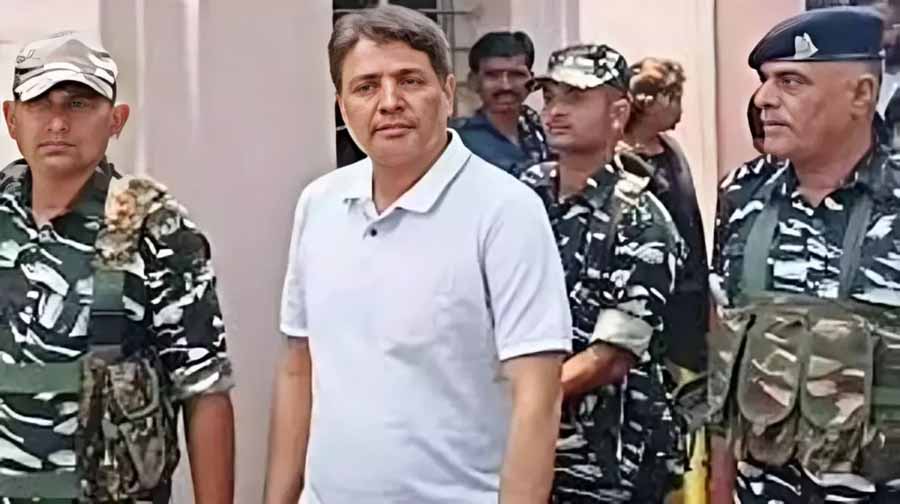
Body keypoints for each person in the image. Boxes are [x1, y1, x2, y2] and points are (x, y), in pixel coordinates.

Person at [264, 6, 571, 504]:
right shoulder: (319, 203)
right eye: (366, 87)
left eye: (409, 81)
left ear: (447, 92)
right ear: (341, 106)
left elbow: (536, 397)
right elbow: (299, 366)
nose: (389, 102)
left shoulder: (505, 211)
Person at [0, 31, 235, 503]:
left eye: (79, 104)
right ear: (11, 118)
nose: (58, 122)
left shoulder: (158, 231)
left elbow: (204, 391)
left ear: (116, 120)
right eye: (40, 104)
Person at [708, 7, 900, 503]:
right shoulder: (742, 197)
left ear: (861, 94)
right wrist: (719, 487)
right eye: (765, 81)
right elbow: (726, 357)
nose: (763, 99)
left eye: (791, 81)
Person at [520, 44, 687, 503]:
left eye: (574, 98)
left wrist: (522, 400)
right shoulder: (521, 195)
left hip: (605, 458)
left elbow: (613, 355)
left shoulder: (640, 218)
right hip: (524, 443)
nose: (555, 111)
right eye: (549, 97)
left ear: (618, 114)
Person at [619, 57, 709, 374]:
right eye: (675, 98)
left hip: (688, 290)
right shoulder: (620, 158)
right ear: (652, 102)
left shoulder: (670, 149)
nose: (680, 109)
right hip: (648, 290)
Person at [450, 31, 550, 175]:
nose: (505, 86)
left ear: (532, 82)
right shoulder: (457, 142)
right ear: (474, 81)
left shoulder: (546, 134)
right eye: (493, 75)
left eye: (516, 75)